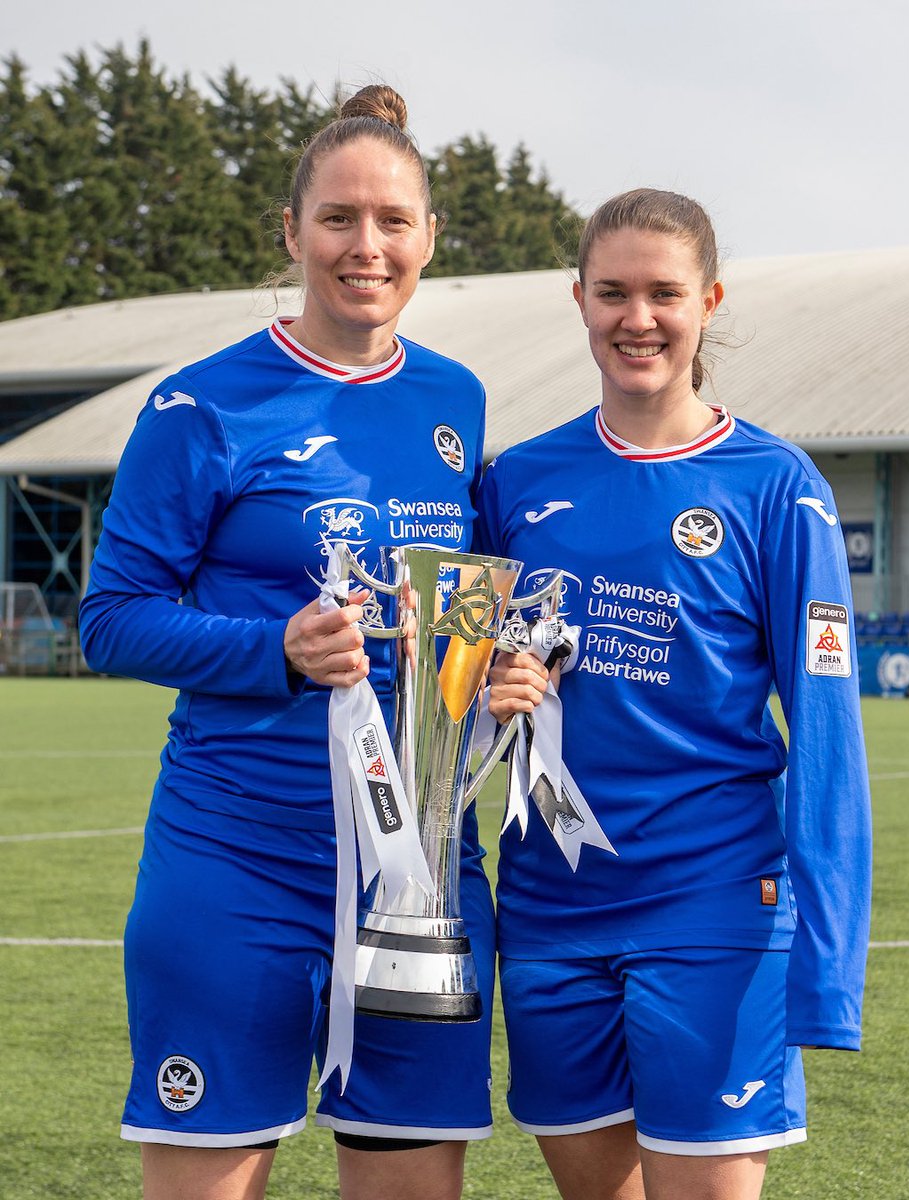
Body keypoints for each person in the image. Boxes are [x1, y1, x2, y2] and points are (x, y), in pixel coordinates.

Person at [79, 85, 494, 1200]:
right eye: (340, 220)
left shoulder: (459, 402)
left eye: (394, 222)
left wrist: (501, 662)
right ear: (293, 231)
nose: (368, 247)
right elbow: (110, 619)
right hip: (234, 863)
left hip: (420, 877)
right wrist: (280, 649)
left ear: (429, 238)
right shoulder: (201, 407)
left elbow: (471, 601)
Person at [476, 188, 872, 1200]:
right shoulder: (516, 482)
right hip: (550, 905)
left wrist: (828, 965)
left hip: (714, 904)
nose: (636, 317)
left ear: (710, 301)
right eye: (612, 292)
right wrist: (489, 686)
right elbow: (457, 691)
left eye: (663, 293)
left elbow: (827, 733)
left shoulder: (776, 486)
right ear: (578, 299)